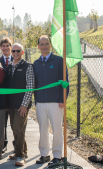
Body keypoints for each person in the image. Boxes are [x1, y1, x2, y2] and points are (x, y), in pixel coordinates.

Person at [33, 35, 69, 166]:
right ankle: (44, 154)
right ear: (38, 46)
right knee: (43, 129)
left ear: (51, 45)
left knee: (57, 129)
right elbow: (34, 83)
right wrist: (36, 100)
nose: (44, 46)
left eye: (46, 44)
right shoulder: (36, 63)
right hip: (40, 102)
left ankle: (57, 156)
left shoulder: (59, 61)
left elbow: (65, 82)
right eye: (41, 44)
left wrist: (62, 99)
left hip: (56, 103)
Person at [5, 43, 34, 166]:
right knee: (15, 128)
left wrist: (24, 105)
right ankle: (20, 152)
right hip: (11, 104)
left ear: (22, 52)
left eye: (18, 51)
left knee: (18, 128)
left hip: (21, 105)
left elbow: (30, 87)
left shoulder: (28, 66)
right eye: (13, 51)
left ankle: (21, 156)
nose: (15, 53)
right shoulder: (10, 66)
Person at [0, 37, 14, 154]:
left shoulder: (17, 58)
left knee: (16, 125)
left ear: (11, 46)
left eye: (7, 45)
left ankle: (17, 146)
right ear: (0, 48)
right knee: (2, 124)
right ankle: (4, 144)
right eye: (3, 46)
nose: (5, 48)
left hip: (15, 99)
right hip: (2, 99)